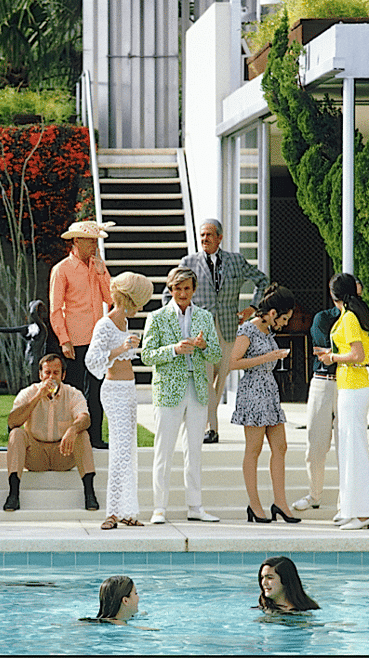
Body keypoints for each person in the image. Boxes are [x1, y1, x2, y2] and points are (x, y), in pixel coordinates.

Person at [163, 219, 269, 444]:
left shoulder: (236, 261)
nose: (205, 239)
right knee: (204, 378)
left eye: (209, 235)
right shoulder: (188, 261)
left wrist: (253, 307)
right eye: (202, 235)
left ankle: (199, 418)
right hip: (200, 330)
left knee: (220, 381)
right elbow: (168, 292)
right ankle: (211, 428)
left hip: (229, 328)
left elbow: (263, 281)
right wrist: (177, 319)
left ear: (220, 238)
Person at [292, 279, 369, 515]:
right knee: (316, 445)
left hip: (350, 384)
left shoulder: (361, 318)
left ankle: (344, 505)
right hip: (325, 383)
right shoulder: (325, 319)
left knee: (346, 447)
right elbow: (326, 348)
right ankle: (314, 494)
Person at [142, 266, 222, 524]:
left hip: (197, 389)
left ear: (194, 290)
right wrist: (174, 349)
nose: (182, 293)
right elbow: (146, 355)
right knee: (164, 450)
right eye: (177, 288)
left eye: (187, 288)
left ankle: (195, 506)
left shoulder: (205, 317)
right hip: (168, 390)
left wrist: (203, 345)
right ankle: (159, 508)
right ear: (170, 289)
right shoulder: (157, 317)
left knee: (194, 451)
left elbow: (217, 356)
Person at [85, 272, 153, 529]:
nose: (142, 308)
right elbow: (93, 359)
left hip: (128, 389)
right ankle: (111, 512)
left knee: (128, 450)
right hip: (114, 390)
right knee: (120, 451)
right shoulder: (106, 324)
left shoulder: (123, 323)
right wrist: (123, 349)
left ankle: (127, 510)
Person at [230, 284, 300, 524]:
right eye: (284, 318)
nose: (285, 323)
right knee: (254, 449)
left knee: (280, 447)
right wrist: (267, 358)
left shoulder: (268, 331)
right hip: (253, 392)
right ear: (272, 313)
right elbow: (233, 362)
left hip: (269, 392)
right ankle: (255, 505)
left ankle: (280, 503)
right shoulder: (247, 330)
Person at [312, 273, 369, 530]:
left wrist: (332, 358)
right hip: (355, 386)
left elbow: (357, 354)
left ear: (333, 294)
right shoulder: (360, 316)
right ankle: (352, 510)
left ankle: (363, 514)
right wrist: (337, 355)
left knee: (354, 452)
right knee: (350, 451)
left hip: (352, 388)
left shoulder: (350, 318)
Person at [49, 220, 115, 449]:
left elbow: (111, 299)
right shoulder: (62, 269)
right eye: (90, 241)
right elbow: (55, 309)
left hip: (97, 339)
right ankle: (70, 437)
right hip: (75, 340)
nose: (94, 246)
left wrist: (102, 274)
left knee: (97, 390)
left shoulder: (98, 266)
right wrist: (64, 340)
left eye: (96, 241)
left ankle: (95, 438)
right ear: (76, 241)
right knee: (74, 391)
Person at [4, 354, 99, 513]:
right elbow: (12, 422)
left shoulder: (73, 393)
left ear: (63, 375)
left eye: (56, 373)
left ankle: (89, 493)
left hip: (63, 452)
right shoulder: (28, 392)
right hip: (36, 455)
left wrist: (73, 429)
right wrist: (37, 397)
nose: (51, 377)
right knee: (16, 434)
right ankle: (13, 494)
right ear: (40, 374)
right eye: (47, 372)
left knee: (82, 434)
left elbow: (85, 418)